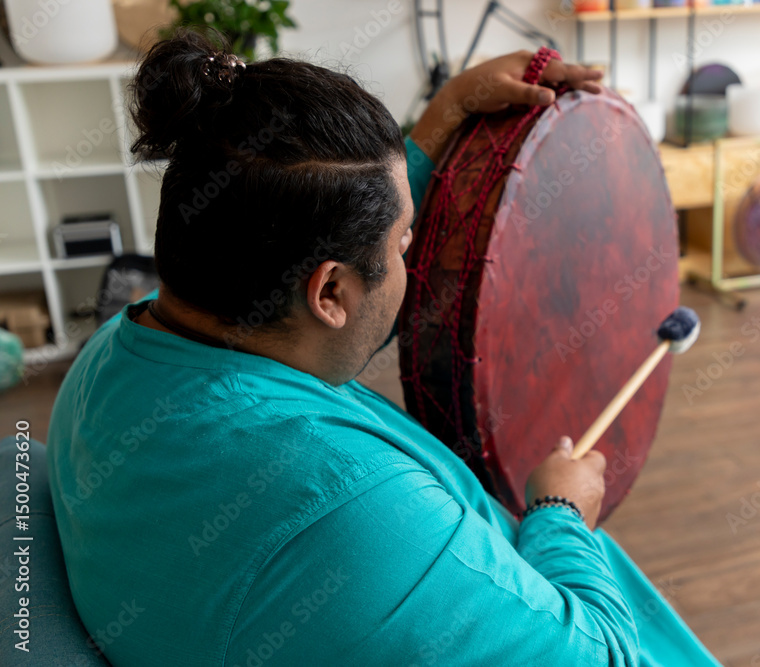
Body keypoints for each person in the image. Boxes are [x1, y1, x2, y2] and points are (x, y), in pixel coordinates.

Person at [47, 30, 721, 667]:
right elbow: (607, 655)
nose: (414, 256)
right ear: (331, 290)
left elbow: (331, 324)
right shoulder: (353, 514)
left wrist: (446, 113)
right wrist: (561, 514)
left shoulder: (115, 352)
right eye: (405, 244)